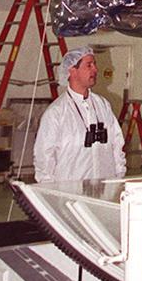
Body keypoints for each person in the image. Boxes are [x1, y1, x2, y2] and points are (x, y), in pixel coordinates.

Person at [34, 46, 126, 182]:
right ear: (72, 70)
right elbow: (44, 157)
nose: (95, 69)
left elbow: (117, 143)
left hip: (105, 186)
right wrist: (49, 188)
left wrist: (118, 178)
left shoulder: (102, 105)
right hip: (70, 189)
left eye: (94, 64)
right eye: (89, 65)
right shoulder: (56, 113)